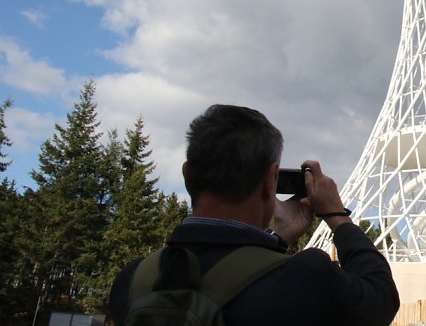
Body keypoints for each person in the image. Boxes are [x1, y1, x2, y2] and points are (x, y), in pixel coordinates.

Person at [109, 104, 400, 325]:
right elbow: (381, 297)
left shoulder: (133, 280)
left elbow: (227, 269)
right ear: (270, 180)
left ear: (187, 175)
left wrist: (275, 240)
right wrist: (337, 215)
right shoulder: (306, 279)